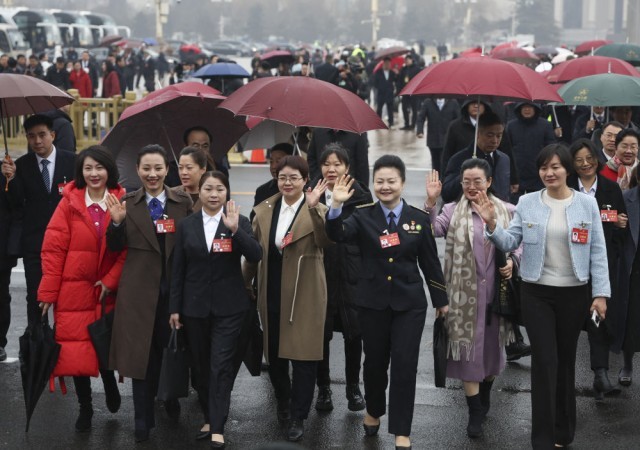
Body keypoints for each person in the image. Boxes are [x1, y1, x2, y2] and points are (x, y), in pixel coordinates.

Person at [479, 144, 609, 449]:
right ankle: (542, 438)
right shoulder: (527, 202)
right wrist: (492, 225)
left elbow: (598, 250)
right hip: (536, 292)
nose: (549, 173)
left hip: (574, 293)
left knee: (565, 361)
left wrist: (601, 294)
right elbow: (511, 241)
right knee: (545, 361)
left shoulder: (586, 204)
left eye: (555, 167)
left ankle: (563, 432)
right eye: (543, 168)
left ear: (567, 169)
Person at [325, 155, 449, 450]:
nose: (385, 186)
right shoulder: (362, 216)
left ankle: (402, 429)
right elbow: (338, 234)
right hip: (372, 302)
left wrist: (440, 300)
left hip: (410, 305)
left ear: (402, 183)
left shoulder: (418, 219)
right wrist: (336, 206)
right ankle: (373, 409)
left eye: (391, 181)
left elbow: (430, 263)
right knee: (375, 363)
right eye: (379, 181)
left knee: (405, 365)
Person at [425, 159, 520, 438]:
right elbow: (431, 231)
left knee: (491, 354)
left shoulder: (508, 210)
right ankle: (475, 410)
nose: (471, 186)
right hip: (462, 296)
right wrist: (430, 203)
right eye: (466, 181)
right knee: (467, 354)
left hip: (496, 294)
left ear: (489, 182)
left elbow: (521, 242)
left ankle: (485, 393)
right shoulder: (452, 210)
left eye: (478, 181)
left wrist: (513, 261)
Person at [105, 144, 193, 443]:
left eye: (158, 168)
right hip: (138, 293)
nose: (152, 174)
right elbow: (114, 247)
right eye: (146, 168)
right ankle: (142, 420)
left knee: (171, 351)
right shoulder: (127, 202)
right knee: (140, 359)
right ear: (138, 170)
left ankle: (171, 397)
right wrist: (117, 223)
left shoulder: (183, 201)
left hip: (174, 291)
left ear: (167, 170)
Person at [243, 156, 332, 442]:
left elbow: (325, 241)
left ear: (306, 180)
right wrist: (245, 283)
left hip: (305, 292)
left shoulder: (319, 209)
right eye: (283, 177)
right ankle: (283, 402)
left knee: (304, 357)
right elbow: (254, 253)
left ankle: (298, 415)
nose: (287, 183)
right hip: (271, 288)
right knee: (276, 355)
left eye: (294, 177)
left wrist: (314, 207)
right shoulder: (264, 210)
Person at [170, 171, 262, 448]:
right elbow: (178, 270)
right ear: (199, 191)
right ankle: (210, 416)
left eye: (219, 189)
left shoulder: (238, 221)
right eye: (208, 188)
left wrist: (235, 231)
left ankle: (218, 427)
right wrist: (175, 308)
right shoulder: (187, 225)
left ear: (227, 192)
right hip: (194, 307)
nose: (213, 194)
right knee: (200, 368)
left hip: (230, 308)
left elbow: (256, 254)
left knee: (220, 365)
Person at [37, 146, 126, 431]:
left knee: (104, 343)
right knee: (76, 350)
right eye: (88, 168)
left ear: (109, 170)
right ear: (80, 171)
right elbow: (53, 250)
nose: (94, 173)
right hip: (73, 291)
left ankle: (109, 381)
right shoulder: (69, 203)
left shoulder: (121, 201)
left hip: (106, 292)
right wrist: (48, 293)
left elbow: (129, 250)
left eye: (99, 167)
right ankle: (85, 407)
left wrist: (111, 280)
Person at [313, 144, 372, 413]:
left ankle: (353, 387)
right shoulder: (313, 193)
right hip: (320, 272)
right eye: (326, 163)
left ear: (347, 167)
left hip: (351, 273)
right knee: (320, 334)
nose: (332, 169)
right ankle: (323, 388)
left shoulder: (361, 195)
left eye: (337, 164)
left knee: (354, 333)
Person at [1, 114, 76, 325]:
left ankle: (62, 338)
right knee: (35, 295)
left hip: (67, 241)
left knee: (68, 295)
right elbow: (16, 203)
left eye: (42, 135)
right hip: (35, 242)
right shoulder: (21, 165)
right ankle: (35, 339)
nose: (37, 141)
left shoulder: (72, 161)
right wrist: (11, 179)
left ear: (53, 135)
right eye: (31, 136)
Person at [568, 138, 627, 401]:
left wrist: (617, 223)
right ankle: (563, 378)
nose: (585, 164)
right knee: (569, 321)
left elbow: (620, 223)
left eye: (589, 158)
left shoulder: (610, 188)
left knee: (597, 318)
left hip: (600, 265)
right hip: (570, 264)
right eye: (579, 160)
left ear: (597, 159)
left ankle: (600, 374)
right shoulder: (567, 187)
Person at [613, 168, 640, 389]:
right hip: (634, 267)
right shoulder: (625, 197)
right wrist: (616, 223)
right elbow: (613, 231)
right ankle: (627, 365)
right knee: (631, 318)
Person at [506, 102, 557, 201]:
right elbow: (507, 149)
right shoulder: (511, 126)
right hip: (517, 174)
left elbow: (551, 148)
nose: (527, 110)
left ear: (535, 109)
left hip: (539, 174)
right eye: (524, 107)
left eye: (530, 107)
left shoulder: (545, 125)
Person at [416, 98, 460, 173]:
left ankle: (445, 178)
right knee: (435, 163)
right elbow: (421, 117)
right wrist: (420, 131)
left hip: (448, 139)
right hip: (433, 139)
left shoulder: (453, 102)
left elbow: (458, 118)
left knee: (445, 162)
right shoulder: (428, 102)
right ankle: (436, 178)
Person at [252, 143, 294, 221]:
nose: (274, 166)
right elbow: (254, 220)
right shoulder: (262, 191)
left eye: (278, 161)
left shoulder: (302, 190)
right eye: (271, 162)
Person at [0, 170, 16, 362]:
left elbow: (16, 207)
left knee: (1, 296)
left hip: (2, 247)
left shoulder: (5, 173)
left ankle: (0, 342)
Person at [396, 55, 421, 130]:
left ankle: (413, 125)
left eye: (408, 60)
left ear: (412, 60)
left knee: (414, 109)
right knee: (404, 108)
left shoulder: (417, 69)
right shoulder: (403, 69)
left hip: (414, 93)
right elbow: (399, 80)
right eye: (405, 60)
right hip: (405, 93)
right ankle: (406, 124)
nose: (406, 61)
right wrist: (399, 90)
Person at [373, 58, 397, 128]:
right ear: (383, 64)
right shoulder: (378, 72)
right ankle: (378, 123)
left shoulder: (392, 72)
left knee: (390, 109)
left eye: (389, 64)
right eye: (386, 63)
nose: (387, 65)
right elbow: (375, 82)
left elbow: (396, 81)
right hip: (381, 93)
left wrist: (397, 74)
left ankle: (391, 123)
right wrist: (380, 87)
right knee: (379, 108)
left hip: (389, 93)